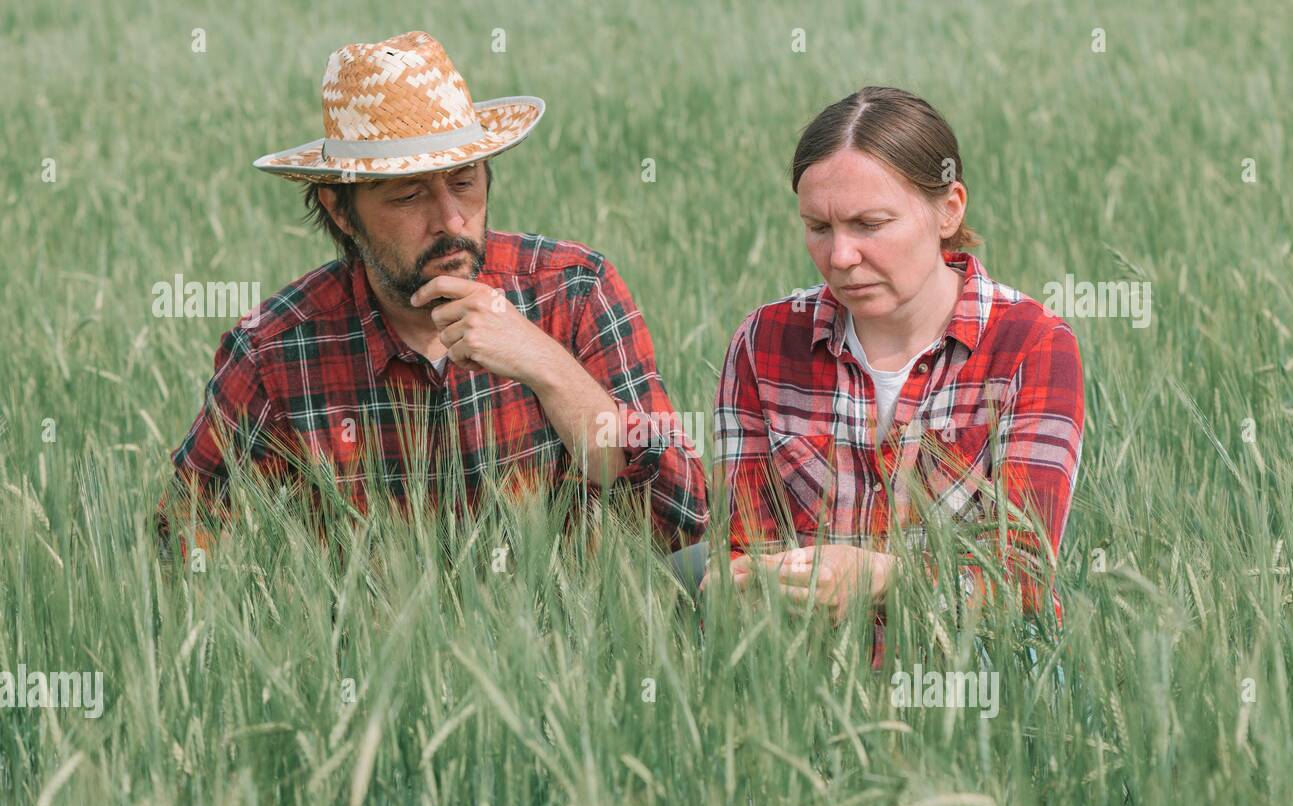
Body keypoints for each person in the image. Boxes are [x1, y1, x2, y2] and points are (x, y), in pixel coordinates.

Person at [156, 31, 707, 559]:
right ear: (339, 210)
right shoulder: (275, 352)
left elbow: (681, 517)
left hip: (564, 643)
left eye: (464, 182)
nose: (450, 220)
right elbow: (182, 541)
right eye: (409, 194)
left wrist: (549, 368)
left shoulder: (574, 290)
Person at [701, 86, 1085, 667]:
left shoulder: (1031, 345)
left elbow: (1024, 578)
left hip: (981, 687)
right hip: (804, 684)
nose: (841, 256)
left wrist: (883, 580)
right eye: (819, 227)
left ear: (949, 209)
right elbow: (741, 556)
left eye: (870, 224)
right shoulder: (764, 342)